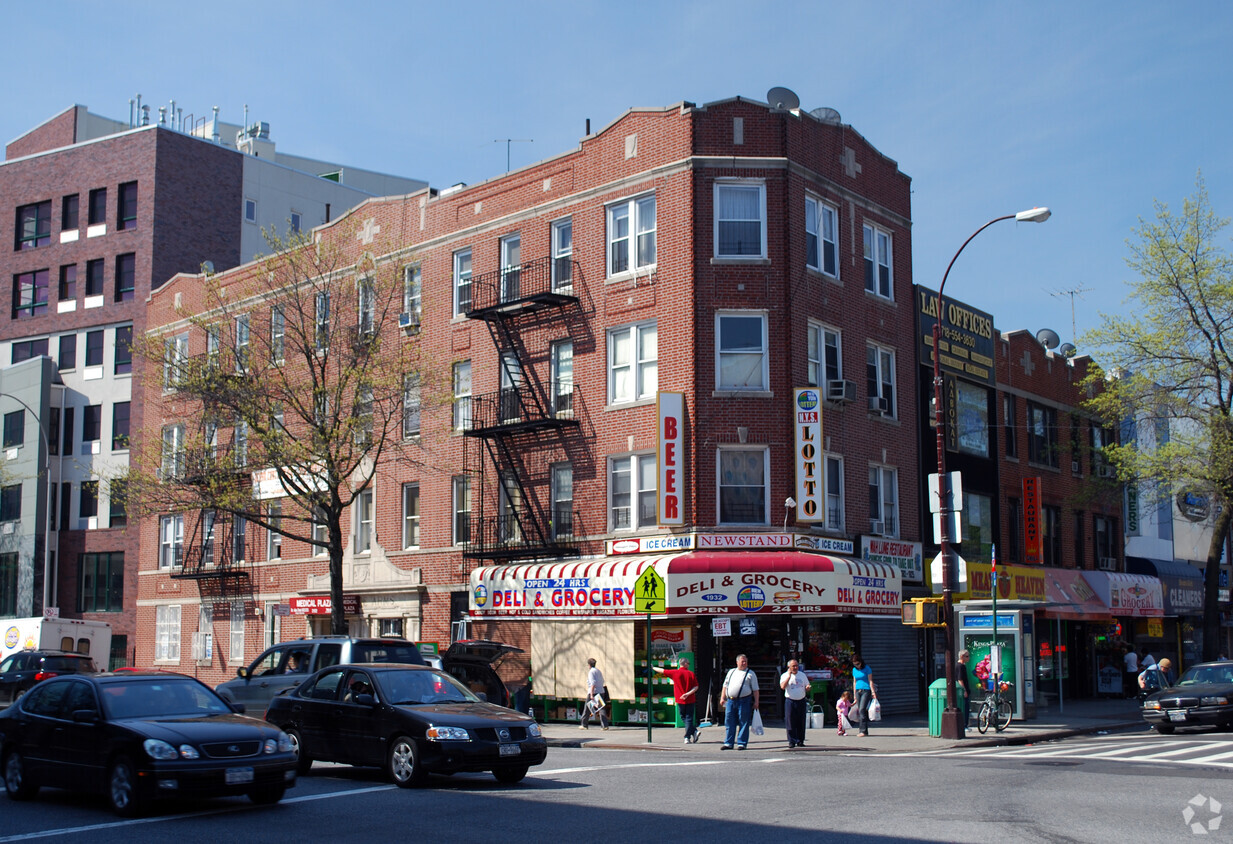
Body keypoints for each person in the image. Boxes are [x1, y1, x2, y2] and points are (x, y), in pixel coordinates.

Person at [652, 657, 699, 744]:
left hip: (680, 699)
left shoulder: (675, 673)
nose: (689, 665)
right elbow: (696, 687)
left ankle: (688, 736)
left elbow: (662, 671)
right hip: (690, 699)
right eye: (688, 663)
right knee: (689, 718)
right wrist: (688, 694)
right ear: (685, 664)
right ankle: (692, 732)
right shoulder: (691, 674)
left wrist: (652, 667)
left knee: (683, 717)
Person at [719, 653, 759, 750]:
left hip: (744, 700)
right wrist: (722, 697)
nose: (744, 663)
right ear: (737, 662)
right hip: (731, 701)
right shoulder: (731, 672)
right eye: (742, 661)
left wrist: (756, 702)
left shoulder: (750, 673)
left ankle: (742, 743)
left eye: (745, 661)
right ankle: (728, 743)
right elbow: (725, 685)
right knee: (729, 721)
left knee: (743, 721)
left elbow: (755, 689)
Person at [780, 659, 811, 748]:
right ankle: (791, 741)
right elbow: (782, 687)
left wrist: (808, 687)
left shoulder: (802, 675)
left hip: (801, 700)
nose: (795, 668)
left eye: (796, 666)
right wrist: (789, 677)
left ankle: (800, 740)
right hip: (790, 700)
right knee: (790, 721)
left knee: (801, 721)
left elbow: (807, 685)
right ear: (789, 667)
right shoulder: (784, 675)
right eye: (793, 666)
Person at [579, 657, 609, 730]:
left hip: (593, 692)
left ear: (589, 665)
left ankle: (584, 724)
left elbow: (593, 683)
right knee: (601, 709)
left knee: (587, 708)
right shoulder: (598, 671)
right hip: (601, 691)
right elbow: (602, 681)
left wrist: (592, 694)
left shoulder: (591, 672)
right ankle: (604, 725)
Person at [851, 654, 877, 737]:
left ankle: (863, 731)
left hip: (866, 690)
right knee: (860, 710)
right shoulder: (854, 670)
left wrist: (873, 692)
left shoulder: (867, 669)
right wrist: (854, 693)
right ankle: (861, 730)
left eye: (858, 664)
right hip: (858, 691)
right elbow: (854, 682)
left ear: (861, 662)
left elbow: (870, 681)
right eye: (855, 664)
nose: (857, 665)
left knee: (862, 709)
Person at [956, 649, 972, 729]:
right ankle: (964, 725)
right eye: (967, 656)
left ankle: (965, 724)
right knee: (965, 707)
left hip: (963, 690)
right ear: (962, 657)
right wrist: (964, 690)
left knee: (965, 707)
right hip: (963, 690)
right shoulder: (960, 666)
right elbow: (960, 679)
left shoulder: (961, 665)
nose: (968, 658)